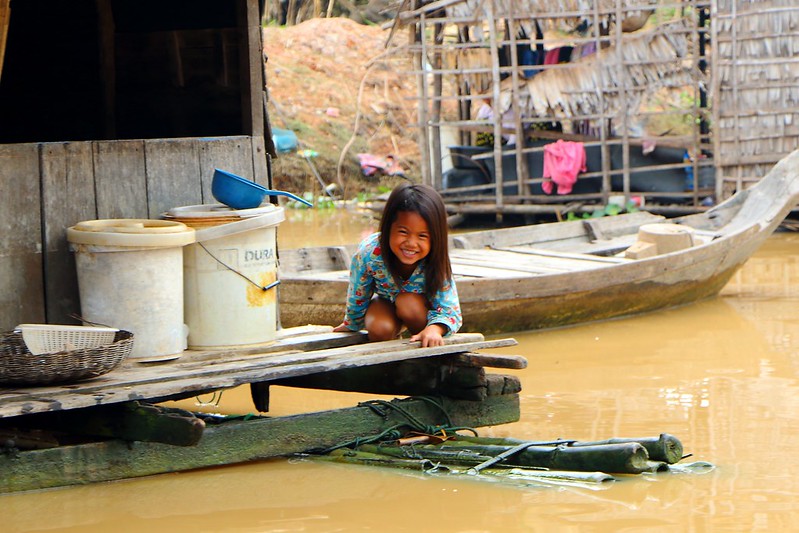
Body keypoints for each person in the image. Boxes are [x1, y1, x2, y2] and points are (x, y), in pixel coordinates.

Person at [332, 183, 462, 347]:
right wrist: (351, 323)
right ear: (388, 227)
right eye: (403, 232)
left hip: (421, 311)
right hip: (387, 304)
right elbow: (359, 291)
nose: (411, 244)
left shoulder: (435, 259)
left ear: (435, 237)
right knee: (379, 328)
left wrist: (435, 329)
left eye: (422, 236)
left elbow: (451, 311)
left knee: (407, 303)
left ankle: (425, 349)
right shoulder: (369, 253)